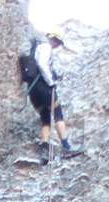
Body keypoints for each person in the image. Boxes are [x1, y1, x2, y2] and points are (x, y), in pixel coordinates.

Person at [23, 32, 78, 160]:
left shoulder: (35, 49)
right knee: (57, 112)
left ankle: (44, 152)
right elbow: (42, 64)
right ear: (54, 40)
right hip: (43, 86)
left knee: (45, 117)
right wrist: (51, 82)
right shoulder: (46, 47)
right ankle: (66, 147)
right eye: (58, 43)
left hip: (33, 90)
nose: (58, 46)